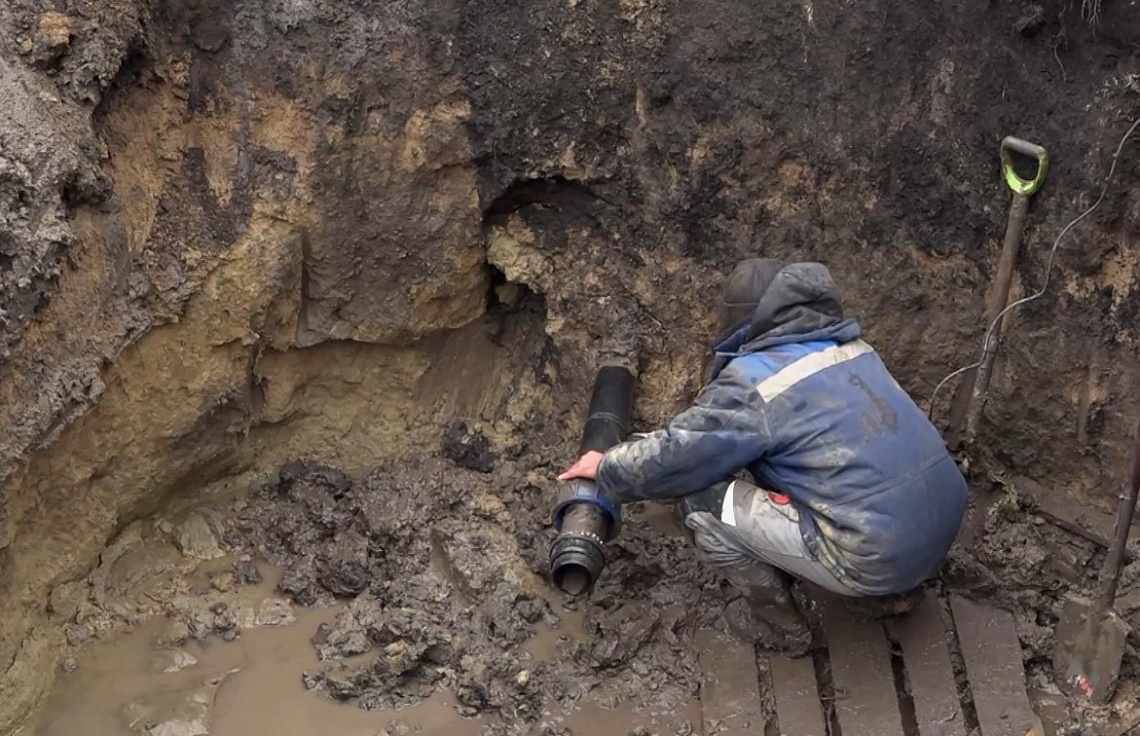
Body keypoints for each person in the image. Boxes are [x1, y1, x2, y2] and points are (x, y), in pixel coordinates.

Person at [557, 258, 968, 656]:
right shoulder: (854, 349)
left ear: (740, 320)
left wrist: (607, 467)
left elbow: (681, 459)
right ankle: (897, 593)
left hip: (874, 554)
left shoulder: (756, 382)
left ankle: (782, 627)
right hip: (943, 523)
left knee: (700, 503)